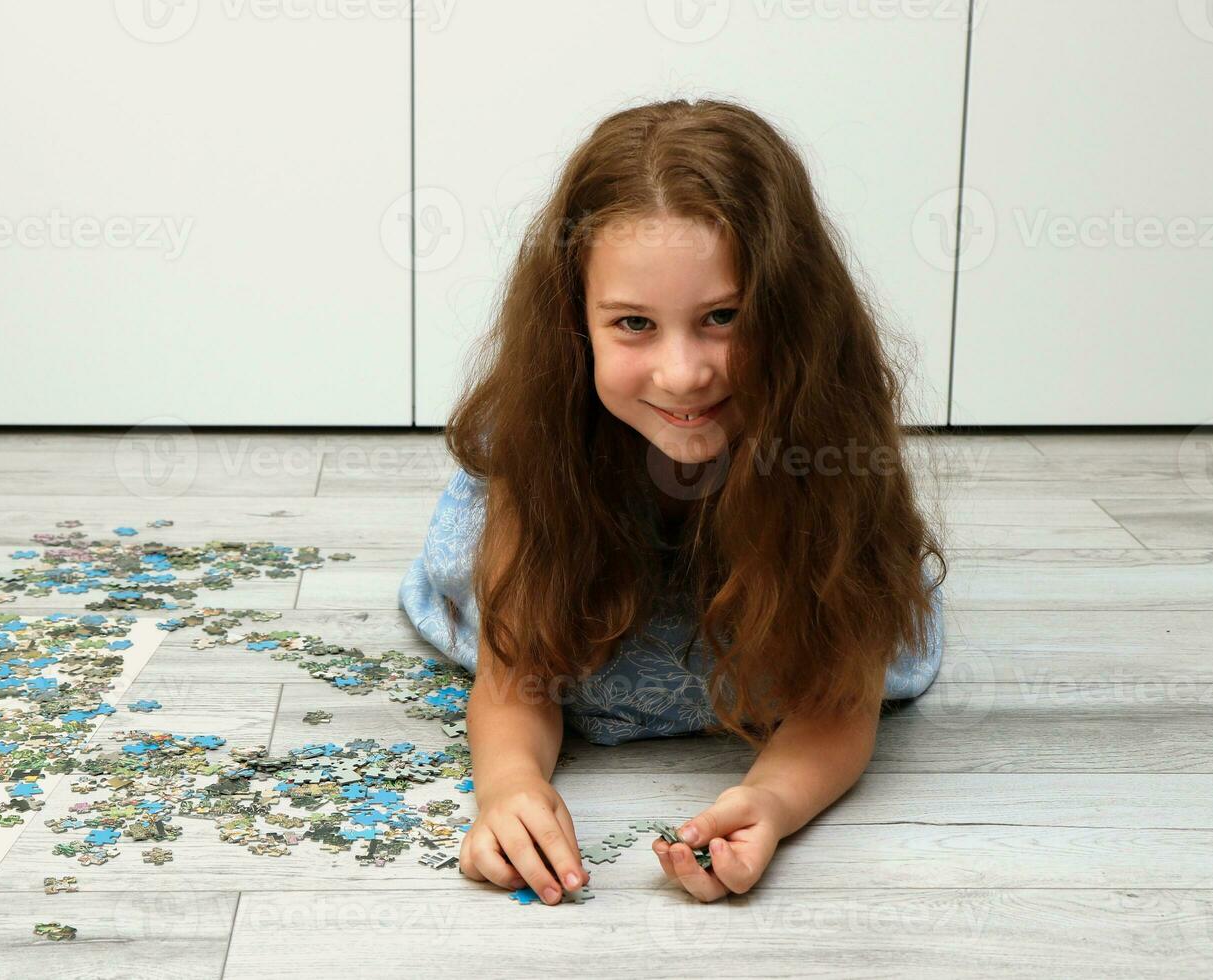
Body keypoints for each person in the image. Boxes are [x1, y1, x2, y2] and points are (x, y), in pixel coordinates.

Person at [398, 98, 948, 905]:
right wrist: (510, 785)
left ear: (792, 314)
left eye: (723, 317)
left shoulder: (831, 453)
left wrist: (768, 800)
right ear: (575, 324)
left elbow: (838, 699)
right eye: (633, 325)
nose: (684, 373)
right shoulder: (542, 454)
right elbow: (516, 676)